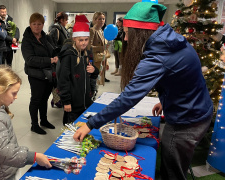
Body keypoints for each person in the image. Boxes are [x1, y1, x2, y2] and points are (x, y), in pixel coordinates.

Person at [73, 2, 212, 180]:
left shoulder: (157, 56)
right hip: (198, 110)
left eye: (128, 33)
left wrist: (91, 123)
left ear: (140, 33)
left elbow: (128, 97)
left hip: (186, 121)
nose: (125, 39)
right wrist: (168, 98)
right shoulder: (169, 39)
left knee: (173, 173)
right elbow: (183, 77)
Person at [57, 15, 99, 125]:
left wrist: (94, 70)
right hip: (73, 104)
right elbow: (63, 80)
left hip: (86, 101)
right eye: (80, 40)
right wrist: (66, 102)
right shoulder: (69, 56)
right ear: (74, 39)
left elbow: (93, 76)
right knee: (71, 129)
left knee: (83, 128)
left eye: (86, 40)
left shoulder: (87, 54)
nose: (83, 43)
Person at [21, 13, 58, 134]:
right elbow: (30, 59)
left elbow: (52, 49)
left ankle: (44, 120)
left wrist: (56, 55)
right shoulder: (27, 40)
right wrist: (49, 60)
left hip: (48, 73)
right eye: (34, 24)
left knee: (45, 98)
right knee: (36, 99)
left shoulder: (45, 37)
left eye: (39, 24)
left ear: (43, 24)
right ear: (30, 24)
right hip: (35, 74)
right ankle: (34, 124)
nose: (37, 27)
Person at [48, 12, 70, 108]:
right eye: (66, 20)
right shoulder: (55, 29)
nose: (67, 21)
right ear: (61, 20)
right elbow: (51, 45)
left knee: (61, 79)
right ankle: (56, 100)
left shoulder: (63, 29)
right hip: (57, 58)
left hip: (62, 57)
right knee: (57, 80)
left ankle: (58, 99)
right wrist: (58, 54)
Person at [89, 12, 110, 84]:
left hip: (102, 59)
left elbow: (104, 47)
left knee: (99, 81)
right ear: (95, 20)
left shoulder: (101, 31)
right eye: (99, 19)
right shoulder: (92, 30)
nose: (102, 21)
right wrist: (101, 48)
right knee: (94, 81)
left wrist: (106, 62)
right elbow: (89, 47)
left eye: (103, 19)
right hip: (95, 59)